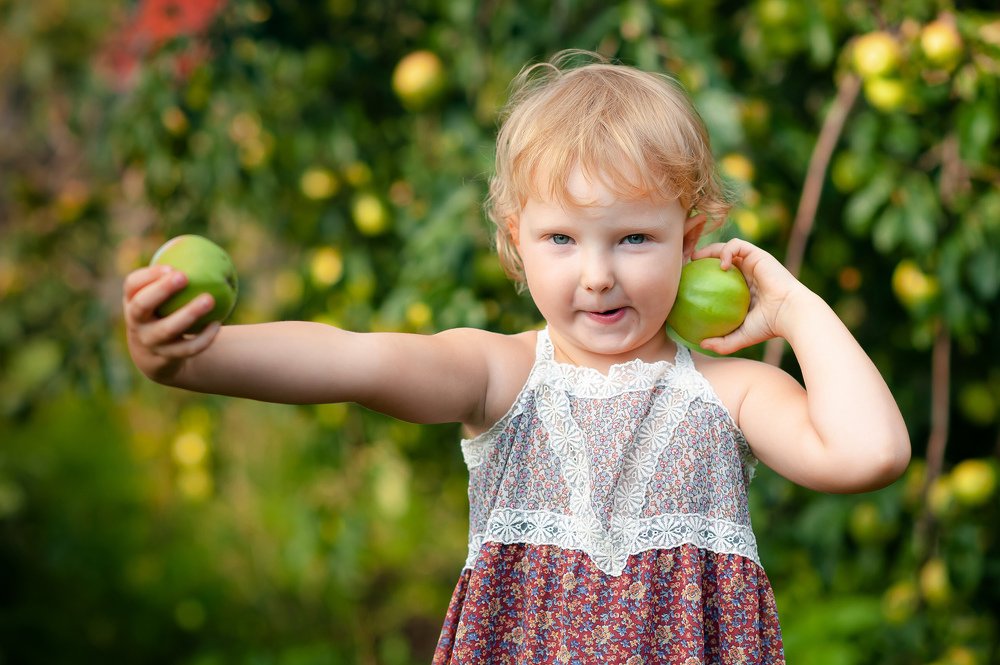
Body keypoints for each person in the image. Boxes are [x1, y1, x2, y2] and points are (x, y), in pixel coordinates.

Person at [123, 50, 910, 663]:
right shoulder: (499, 376)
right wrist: (193, 358)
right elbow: (351, 359)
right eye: (561, 238)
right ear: (516, 242)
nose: (597, 273)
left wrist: (795, 308)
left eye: (634, 237)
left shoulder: (730, 392)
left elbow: (870, 452)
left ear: (690, 241)